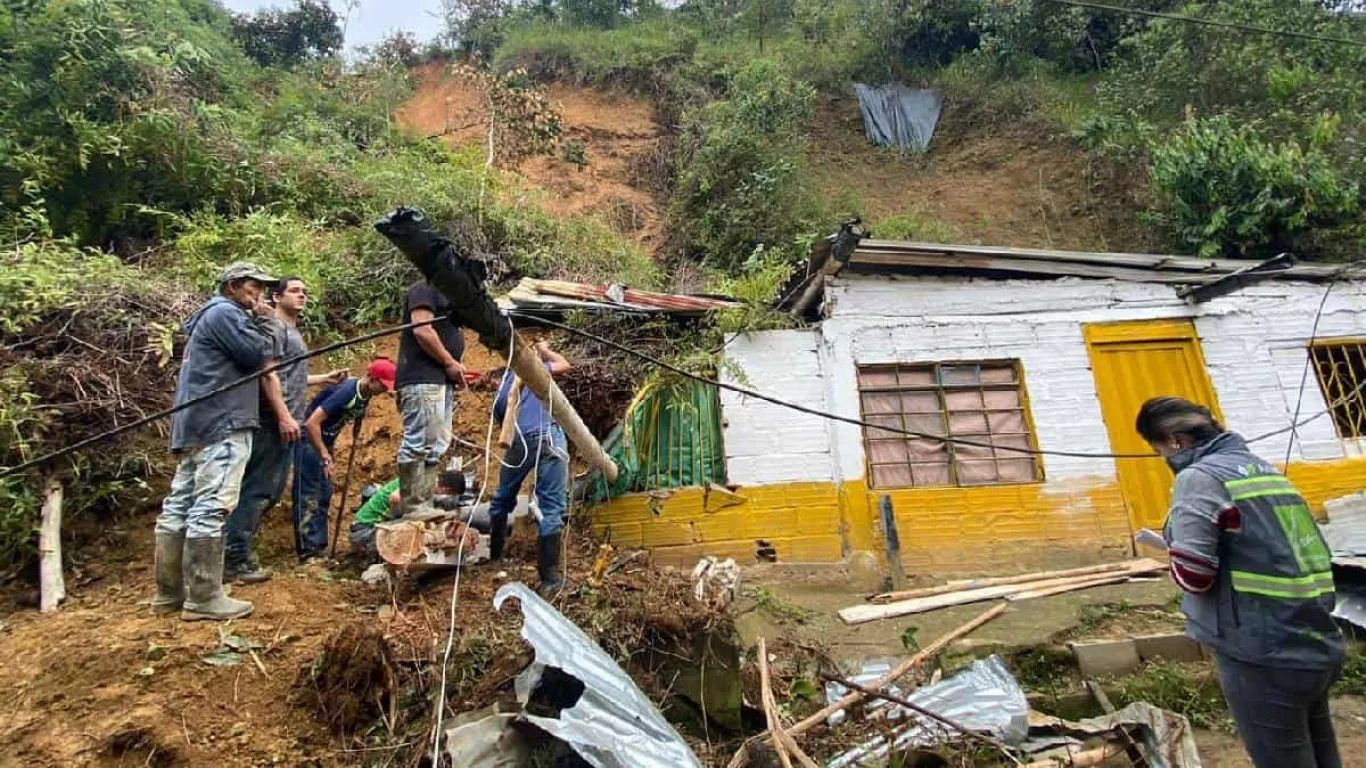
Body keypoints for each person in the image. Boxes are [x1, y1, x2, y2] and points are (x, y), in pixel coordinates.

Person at [1137, 396, 1344, 768]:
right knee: (1321, 749)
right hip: (1314, 637)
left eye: (1159, 451)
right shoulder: (1264, 470)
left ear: (1176, 442)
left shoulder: (1199, 478)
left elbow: (1195, 576)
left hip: (1258, 648)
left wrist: (1174, 550)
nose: (1163, 460)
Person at [153, 262, 280, 622]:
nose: (262, 295)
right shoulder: (226, 313)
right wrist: (266, 319)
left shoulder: (208, 317)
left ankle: (170, 593)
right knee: (212, 506)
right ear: (235, 286)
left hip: (194, 423)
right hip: (222, 422)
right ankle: (205, 597)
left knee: (179, 505)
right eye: (256, 287)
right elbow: (259, 356)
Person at [223, 277, 345, 584]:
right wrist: (282, 416)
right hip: (274, 420)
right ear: (276, 297)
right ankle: (233, 556)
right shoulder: (273, 328)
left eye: (305, 291)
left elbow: (289, 376)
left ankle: (233, 552)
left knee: (270, 489)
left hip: (287, 417)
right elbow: (268, 375)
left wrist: (322, 379)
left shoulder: (289, 332)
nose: (302, 295)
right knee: (260, 488)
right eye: (294, 291)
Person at [488, 340, 572, 596]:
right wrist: (544, 350)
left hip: (518, 442)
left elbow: (503, 420)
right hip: (548, 437)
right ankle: (549, 579)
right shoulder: (536, 368)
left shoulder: (502, 389)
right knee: (551, 507)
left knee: (502, 498)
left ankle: (495, 557)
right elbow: (564, 365)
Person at [291, 358, 396, 561]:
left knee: (324, 493)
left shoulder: (365, 394)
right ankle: (308, 553)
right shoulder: (348, 391)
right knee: (310, 493)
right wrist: (323, 453)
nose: (385, 390)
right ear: (372, 379)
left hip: (325, 443)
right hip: (310, 441)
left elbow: (356, 416)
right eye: (383, 385)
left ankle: (319, 547)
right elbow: (312, 423)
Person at [395, 279, 466, 518]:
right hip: (423, 378)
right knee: (419, 442)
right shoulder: (424, 289)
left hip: (440, 380)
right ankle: (414, 505)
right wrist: (449, 361)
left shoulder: (448, 296)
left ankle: (424, 503)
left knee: (436, 445)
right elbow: (422, 329)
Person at [349, 470, 468, 561]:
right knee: (413, 527)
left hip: (362, 526)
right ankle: (370, 552)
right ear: (446, 490)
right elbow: (394, 497)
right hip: (364, 530)